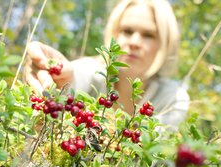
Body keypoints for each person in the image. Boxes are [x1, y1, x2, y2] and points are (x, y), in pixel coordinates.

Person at [24, 0, 189, 130]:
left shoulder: (173, 98)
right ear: (114, 34)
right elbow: (75, 76)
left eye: (148, 35)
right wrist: (58, 76)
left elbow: (153, 158)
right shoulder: (94, 72)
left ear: (165, 43)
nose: (134, 42)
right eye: (127, 31)